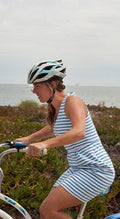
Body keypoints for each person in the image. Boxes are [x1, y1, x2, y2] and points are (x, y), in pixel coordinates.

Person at [15, 60, 115, 218]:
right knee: (46, 211)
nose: (33, 91)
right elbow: (54, 128)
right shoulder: (58, 108)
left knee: (49, 210)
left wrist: (44, 144)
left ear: (52, 84)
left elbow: (78, 132)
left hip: (96, 169)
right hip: (78, 168)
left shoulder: (72, 101)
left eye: (37, 86)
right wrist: (29, 139)